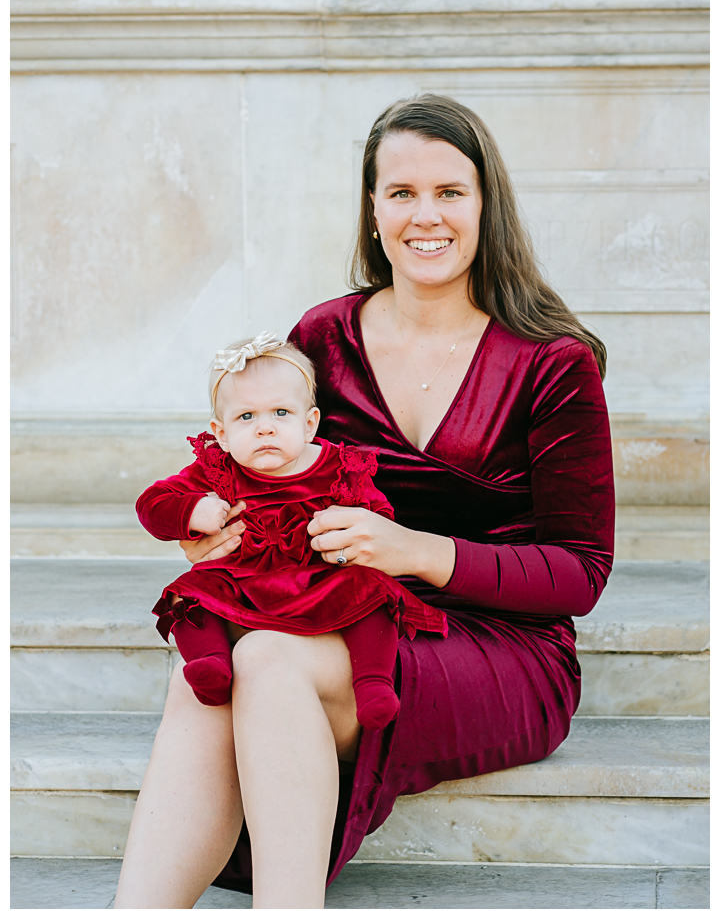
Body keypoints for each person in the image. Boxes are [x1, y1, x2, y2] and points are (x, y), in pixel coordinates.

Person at [114, 93, 614, 909]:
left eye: (451, 192)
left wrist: (409, 548)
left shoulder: (552, 364)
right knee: (213, 673)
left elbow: (580, 574)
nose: (427, 216)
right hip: (344, 613)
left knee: (264, 660)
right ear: (372, 208)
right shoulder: (324, 338)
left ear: (487, 204)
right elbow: (262, 464)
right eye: (401, 193)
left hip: (503, 643)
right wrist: (215, 531)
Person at [136, 333, 447, 727]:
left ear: (309, 423)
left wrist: (358, 531)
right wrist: (193, 510)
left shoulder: (339, 467)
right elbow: (150, 505)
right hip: (243, 580)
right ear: (221, 433)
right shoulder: (218, 470)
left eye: (281, 413)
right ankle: (210, 664)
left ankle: (372, 682)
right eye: (246, 417)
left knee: (370, 591)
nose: (265, 428)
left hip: (321, 579)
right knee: (190, 594)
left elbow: (378, 516)